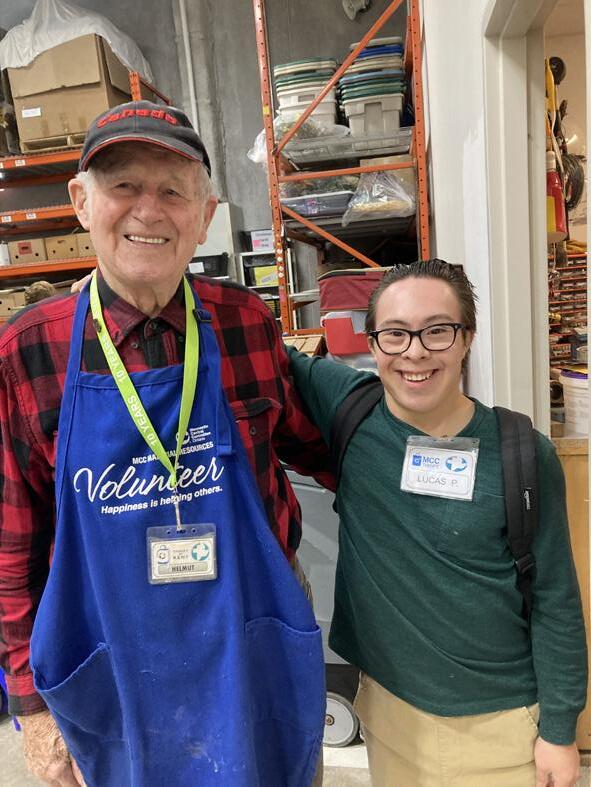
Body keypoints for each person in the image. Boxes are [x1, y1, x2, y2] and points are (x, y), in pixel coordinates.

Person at [0, 100, 332, 787]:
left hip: (253, 630)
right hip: (111, 647)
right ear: (82, 202)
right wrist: (31, 705)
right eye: (124, 185)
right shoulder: (30, 347)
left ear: (204, 215)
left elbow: (316, 442)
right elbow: (11, 542)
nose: (148, 210)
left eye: (173, 191)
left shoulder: (246, 321)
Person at [288, 259, 588, 787]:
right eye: (395, 333)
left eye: (437, 331)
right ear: (373, 343)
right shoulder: (351, 410)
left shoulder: (522, 452)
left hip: (502, 727)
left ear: (466, 338)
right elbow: (252, 338)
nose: (415, 352)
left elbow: (555, 599)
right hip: (390, 715)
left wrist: (560, 732)